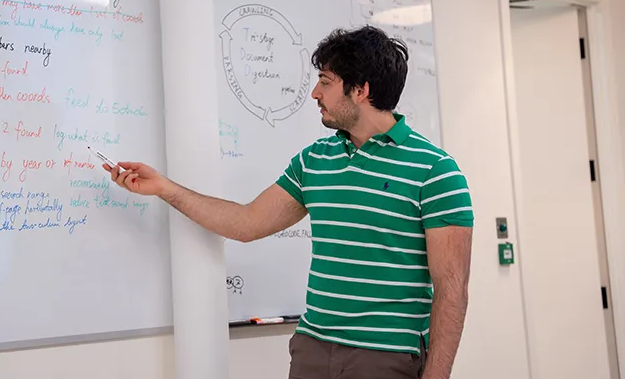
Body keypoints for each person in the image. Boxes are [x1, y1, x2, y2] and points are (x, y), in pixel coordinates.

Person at [103, 25, 474, 379]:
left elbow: (451, 289)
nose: (315, 93)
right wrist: (166, 188)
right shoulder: (315, 160)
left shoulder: (435, 171)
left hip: (384, 357)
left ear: (360, 89)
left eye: (326, 82)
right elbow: (246, 223)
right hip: (312, 350)